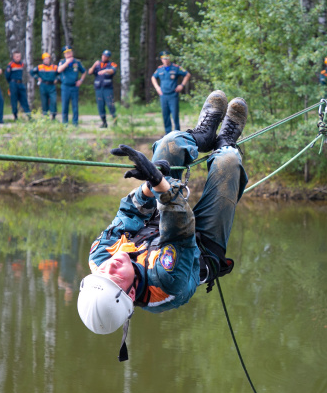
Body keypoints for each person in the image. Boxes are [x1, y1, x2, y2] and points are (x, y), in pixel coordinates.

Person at [77, 91, 248, 361]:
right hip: (200, 242)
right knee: (227, 163)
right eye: (113, 278)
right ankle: (226, 142)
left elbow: (127, 213)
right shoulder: (168, 283)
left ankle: (202, 136)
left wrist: (147, 187)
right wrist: (160, 184)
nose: (109, 266)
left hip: (161, 219)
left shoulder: (100, 258)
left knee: (169, 144)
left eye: (100, 274)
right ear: (131, 293)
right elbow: (181, 230)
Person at [151, 51, 191, 134]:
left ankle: (177, 134)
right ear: (161, 59)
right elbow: (153, 78)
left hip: (173, 95)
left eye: (167, 58)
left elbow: (187, 74)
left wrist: (182, 85)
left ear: (169, 58)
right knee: (165, 115)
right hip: (163, 95)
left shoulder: (176, 68)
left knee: (175, 115)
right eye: (163, 58)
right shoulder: (160, 69)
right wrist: (157, 88)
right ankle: (167, 134)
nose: (165, 60)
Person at [57, 45, 87, 125]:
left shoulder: (77, 62)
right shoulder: (62, 62)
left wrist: (81, 80)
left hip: (74, 86)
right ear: (64, 54)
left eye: (69, 52)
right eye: (66, 53)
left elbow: (84, 72)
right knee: (65, 105)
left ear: (72, 52)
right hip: (65, 86)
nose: (68, 54)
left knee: (75, 105)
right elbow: (59, 70)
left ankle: (75, 122)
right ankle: (65, 122)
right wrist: (67, 63)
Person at [88, 50, 118, 128]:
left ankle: (115, 121)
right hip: (98, 88)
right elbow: (90, 72)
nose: (104, 57)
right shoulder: (97, 65)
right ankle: (104, 123)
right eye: (103, 55)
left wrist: (105, 70)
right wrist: (94, 65)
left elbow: (112, 71)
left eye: (106, 56)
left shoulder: (111, 64)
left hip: (107, 89)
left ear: (108, 57)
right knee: (100, 106)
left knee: (110, 105)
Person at [30, 52, 59, 121]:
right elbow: (32, 72)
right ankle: (46, 117)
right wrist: (37, 78)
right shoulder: (40, 67)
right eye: (45, 59)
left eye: (47, 59)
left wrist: (57, 79)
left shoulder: (54, 67)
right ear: (43, 60)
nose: (46, 60)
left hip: (52, 85)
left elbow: (60, 74)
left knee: (53, 101)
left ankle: (54, 116)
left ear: (50, 59)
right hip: (43, 85)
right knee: (44, 101)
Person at [4, 50, 31, 121]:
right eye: (16, 56)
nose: (18, 58)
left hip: (20, 83)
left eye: (19, 56)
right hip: (13, 84)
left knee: (24, 99)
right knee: (14, 100)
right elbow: (7, 75)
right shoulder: (10, 65)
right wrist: (11, 83)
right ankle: (15, 116)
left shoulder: (21, 64)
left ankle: (29, 115)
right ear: (13, 57)